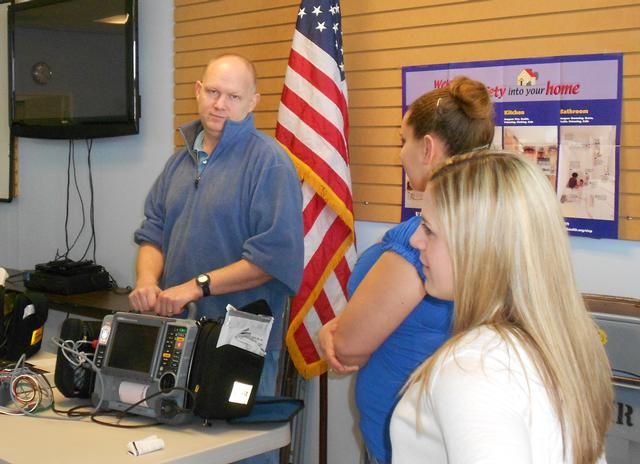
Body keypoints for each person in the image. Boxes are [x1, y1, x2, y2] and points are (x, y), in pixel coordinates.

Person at [130, 54, 304, 463]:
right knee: (179, 448)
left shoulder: (270, 163)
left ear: (253, 102)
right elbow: (153, 232)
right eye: (212, 92)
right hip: (180, 336)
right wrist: (146, 282)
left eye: (232, 95)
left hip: (241, 342)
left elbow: (271, 259)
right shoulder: (179, 161)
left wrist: (196, 286)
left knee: (239, 451)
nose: (219, 104)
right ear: (198, 91)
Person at [390, 150, 612, 463]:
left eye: (428, 228)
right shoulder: (562, 345)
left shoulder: (472, 368)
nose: (415, 240)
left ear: (479, 246)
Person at [318, 76, 495, 464]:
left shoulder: (421, 241)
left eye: (403, 140)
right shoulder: (483, 225)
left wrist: (336, 331)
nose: (400, 153)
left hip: (407, 436)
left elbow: (348, 347)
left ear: (427, 147)